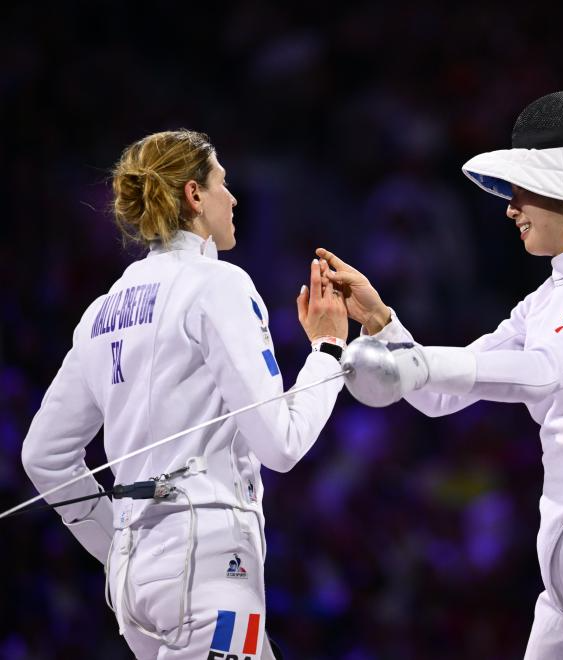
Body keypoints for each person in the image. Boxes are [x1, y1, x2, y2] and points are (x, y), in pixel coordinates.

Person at [323, 90, 563, 658]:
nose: (510, 208)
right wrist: (382, 325)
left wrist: (414, 363)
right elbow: (438, 398)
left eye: (525, 190)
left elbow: (542, 373)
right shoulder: (543, 303)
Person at [20, 130, 349, 659]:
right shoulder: (217, 284)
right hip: (211, 568)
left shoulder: (102, 310)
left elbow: (44, 457)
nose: (233, 198)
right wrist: (328, 351)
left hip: (135, 581)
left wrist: (117, 541)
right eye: (222, 183)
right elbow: (282, 444)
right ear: (194, 195)